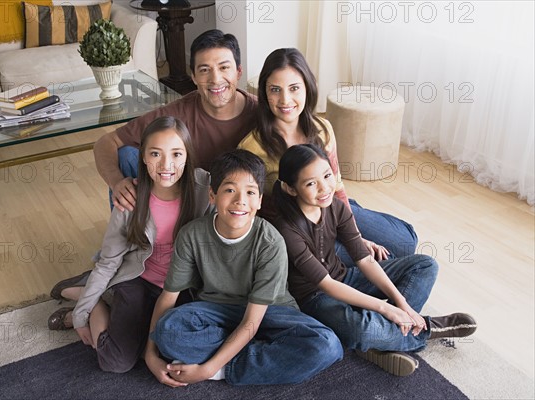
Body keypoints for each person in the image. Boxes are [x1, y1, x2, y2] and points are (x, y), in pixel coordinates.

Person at [272, 144, 477, 376]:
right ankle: (428, 329)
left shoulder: (336, 207)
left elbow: (365, 260)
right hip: (315, 298)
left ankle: (385, 340)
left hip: (345, 277)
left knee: (425, 265)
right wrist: (385, 309)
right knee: (362, 330)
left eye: (327, 176)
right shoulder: (287, 230)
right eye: (311, 183)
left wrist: (402, 305)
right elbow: (326, 284)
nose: (324, 188)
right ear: (291, 189)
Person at [144, 149, 342, 387]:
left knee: (327, 345)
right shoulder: (192, 234)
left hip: (270, 313)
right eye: (229, 190)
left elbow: (252, 321)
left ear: (259, 201)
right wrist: (150, 353)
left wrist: (209, 368)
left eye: (250, 192)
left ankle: (227, 369)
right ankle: (263, 357)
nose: (240, 201)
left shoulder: (271, 242)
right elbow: (168, 298)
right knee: (169, 330)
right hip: (216, 311)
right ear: (212, 195)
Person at [46, 116, 213, 373]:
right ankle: (94, 300)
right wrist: (81, 315)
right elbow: (109, 260)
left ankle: (96, 293)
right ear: (143, 158)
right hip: (138, 279)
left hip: (181, 287)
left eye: (177, 154)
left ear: (188, 157)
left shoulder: (204, 187)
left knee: (179, 351)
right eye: (156, 154)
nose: (167, 164)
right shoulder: (131, 199)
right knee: (116, 362)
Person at [238, 48, 417, 267]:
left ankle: (358, 214)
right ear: (265, 94)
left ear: (307, 88)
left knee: (406, 244)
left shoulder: (323, 129)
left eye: (294, 88)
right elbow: (255, 210)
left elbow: (337, 183)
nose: (285, 99)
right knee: (363, 261)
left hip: (331, 206)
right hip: (296, 228)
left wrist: (354, 234)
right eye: (275, 90)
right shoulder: (251, 147)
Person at [94, 29, 257, 213]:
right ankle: (128, 234)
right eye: (204, 70)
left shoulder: (261, 112)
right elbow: (105, 142)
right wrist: (116, 181)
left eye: (224, 67)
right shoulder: (178, 112)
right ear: (194, 77)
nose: (215, 79)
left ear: (239, 71)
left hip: (239, 205)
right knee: (126, 156)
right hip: (189, 200)